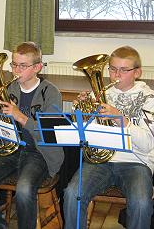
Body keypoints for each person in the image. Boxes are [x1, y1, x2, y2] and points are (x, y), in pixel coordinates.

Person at [0, 42, 64, 229]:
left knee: (23, 190)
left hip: (39, 153)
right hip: (10, 149)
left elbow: (50, 135)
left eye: (22, 66)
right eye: (14, 64)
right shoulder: (10, 88)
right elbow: (0, 123)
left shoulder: (51, 93)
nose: (16, 70)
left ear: (37, 67)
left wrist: (20, 117)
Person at [63, 46, 154, 229]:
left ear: (137, 72)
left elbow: (147, 144)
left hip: (136, 163)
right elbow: (85, 136)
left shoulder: (149, 99)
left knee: (142, 202)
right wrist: (82, 115)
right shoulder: (99, 95)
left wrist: (122, 120)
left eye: (123, 70)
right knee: (72, 193)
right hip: (100, 162)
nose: (116, 75)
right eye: (112, 69)